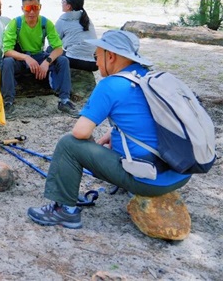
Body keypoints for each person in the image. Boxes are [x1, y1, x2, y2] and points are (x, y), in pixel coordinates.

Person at [27, 30, 191, 229]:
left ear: (110, 56)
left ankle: (65, 210)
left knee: (69, 144)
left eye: (96, 55)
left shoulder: (110, 85)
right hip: (180, 173)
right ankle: (128, 186)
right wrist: (113, 133)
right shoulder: (149, 77)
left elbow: (80, 132)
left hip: (150, 181)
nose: (95, 62)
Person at [0, 0, 77, 118]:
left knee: (63, 60)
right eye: (28, 8)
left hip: (40, 56)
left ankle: (64, 100)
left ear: (40, 7)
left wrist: (47, 62)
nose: (32, 12)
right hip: (22, 58)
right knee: (7, 61)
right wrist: (26, 57)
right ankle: (8, 102)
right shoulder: (15, 23)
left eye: (35, 8)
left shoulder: (45, 23)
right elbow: (7, 50)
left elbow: (58, 49)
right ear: (22, 8)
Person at [55, 0, 98, 71]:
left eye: (64, 1)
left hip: (73, 60)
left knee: (50, 50)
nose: (62, 2)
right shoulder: (86, 19)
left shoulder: (63, 20)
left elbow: (55, 41)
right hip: (94, 63)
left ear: (68, 6)